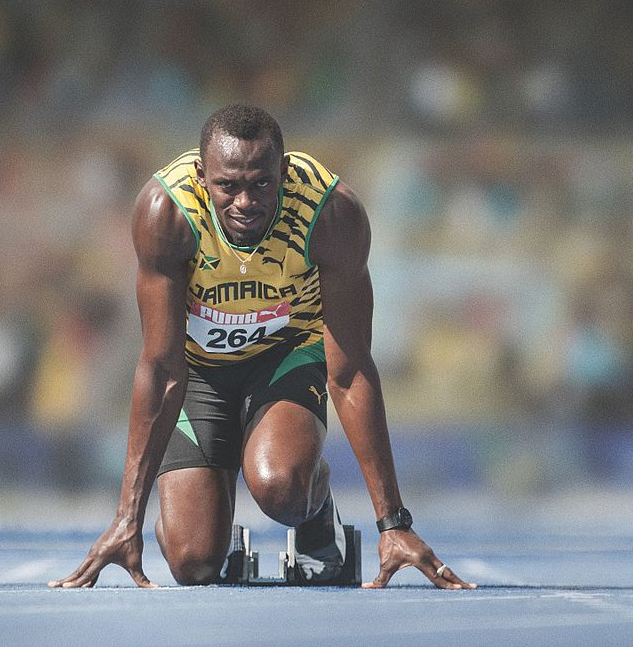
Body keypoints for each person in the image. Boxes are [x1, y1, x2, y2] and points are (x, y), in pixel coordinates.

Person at [49, 104, 473, 590]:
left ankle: (316, 515)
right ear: (202, 175)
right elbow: (162, 369)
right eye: (228, 186)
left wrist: (393, 522)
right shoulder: (166, 212)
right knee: (191, 563)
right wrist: (127, 518)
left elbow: (351, 371)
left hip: (285, 356)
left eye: (261, 184)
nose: (245, 202)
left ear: (284, 172)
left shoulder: (331, 213)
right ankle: (218, 533)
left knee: (280, 487)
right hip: (199, 372)